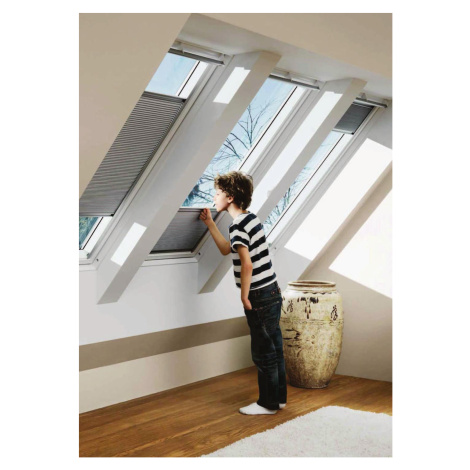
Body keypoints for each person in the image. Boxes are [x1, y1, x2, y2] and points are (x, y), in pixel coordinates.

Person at [199, 170, 287, 415]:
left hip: (258, 295)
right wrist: (210, 224)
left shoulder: (238, 226)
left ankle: (267, 404)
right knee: (275, 347)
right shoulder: (250, 219)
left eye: (217, 193)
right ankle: (278, 399)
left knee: (263, 351)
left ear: (229, 197)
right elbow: (227, 250)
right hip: (272, 290)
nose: (214, 197)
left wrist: (244, 295)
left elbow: (246, 265)